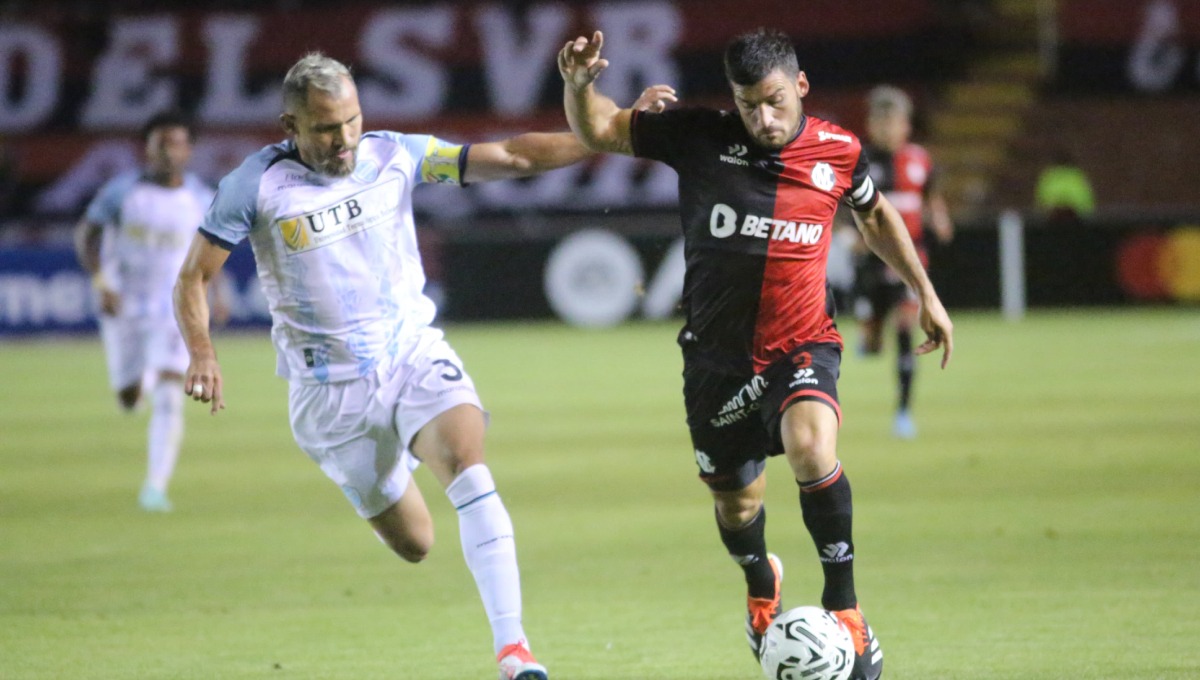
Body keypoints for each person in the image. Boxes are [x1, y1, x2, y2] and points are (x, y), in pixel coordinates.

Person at [173, 52, 673, 680]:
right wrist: (202, 353)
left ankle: (514, 652)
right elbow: (194, 276)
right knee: (416, 543)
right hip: (332, 397)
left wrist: (619, 130)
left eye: (352, 120)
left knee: (468, 464)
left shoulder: (394, 154)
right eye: (327, 128)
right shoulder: (256, 185)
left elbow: (512, 156)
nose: (345, 139)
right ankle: (396, 462)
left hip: (410, 353)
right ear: (290, 125)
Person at [559, 29, 954, 680]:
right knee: (738, 504)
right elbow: (599, 128)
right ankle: (759, 578)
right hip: (714, 363)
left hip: (800, 343)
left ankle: (846, 607)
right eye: (748, 105)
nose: (762, 118)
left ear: (799, 87)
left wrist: (925, 291)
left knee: (810, 445)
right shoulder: (697, 136)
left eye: (773, 101)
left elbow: (875, 213)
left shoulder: (838, 150)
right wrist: (579, 86)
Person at [74, 110, 221, 512]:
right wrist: (101, 280)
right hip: (124, 304)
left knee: (173, 390)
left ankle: (155, 487)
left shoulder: (202, 198)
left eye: (176, 143)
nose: (168, 152)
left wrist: (216, 293)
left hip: (176, 306)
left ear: (189, 150)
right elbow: (86, 233)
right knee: (128, 396)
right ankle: (137, 386)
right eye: (161, 144)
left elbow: (209, 253)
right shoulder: (122, 191)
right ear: (148, 149)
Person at [853, 85, 954, 439]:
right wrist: (849, 237)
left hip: (912, 261)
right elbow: (842, 206)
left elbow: (931, 196)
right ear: (870, 124)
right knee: (872, 341)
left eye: (893, 121)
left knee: (906, 329)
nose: (887, 129)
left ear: (906, 125)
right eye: (880, 122)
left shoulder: (919, 160)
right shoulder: (859, 159)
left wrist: (939, 218)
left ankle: (903, 413)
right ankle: (868, 332)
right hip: (871, 261)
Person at [1034, 146, 1095, 224]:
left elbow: (1041, 204)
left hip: (1058, 220)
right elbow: (1087, 205)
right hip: (1073, 221)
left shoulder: (1048, 176)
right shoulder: (1077, 176)